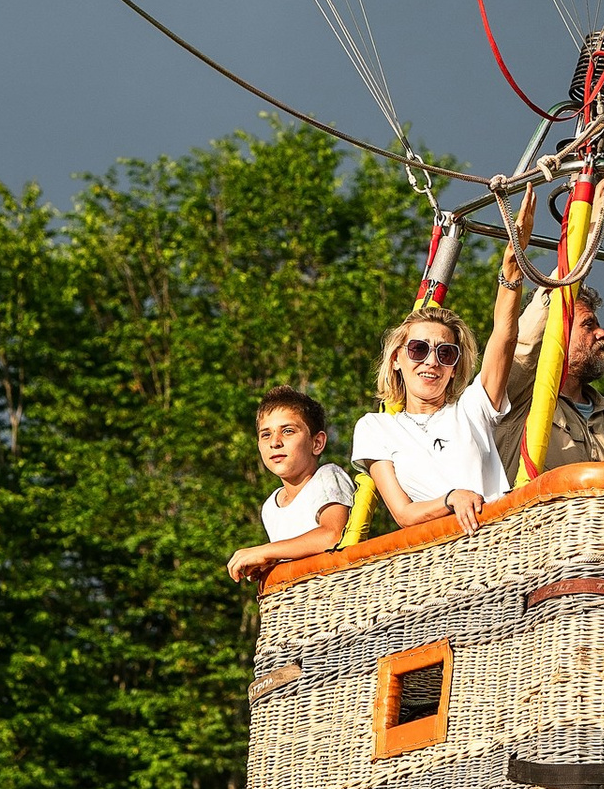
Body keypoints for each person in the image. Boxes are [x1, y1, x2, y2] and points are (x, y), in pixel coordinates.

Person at [351, 195, 533, 534]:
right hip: (441, 555)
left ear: (454, 366)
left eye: (445, 353)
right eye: (419, 349)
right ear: (396, 359)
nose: (431, 362)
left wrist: (511, 274)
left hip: (500, 539)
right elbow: (403, 513)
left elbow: (505, 339)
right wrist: (452, 499)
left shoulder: (471, 409)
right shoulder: (376, 428)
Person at [226, 387, 357, 584]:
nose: (275, 442)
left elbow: (333, 535)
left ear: (317, 443)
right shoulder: (271, 506)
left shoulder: (328, 476)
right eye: (266, 435)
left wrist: (264, 551)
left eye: (287, 431)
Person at [498, 274, 604, 473]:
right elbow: (524, 346)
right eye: (588, 324)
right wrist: (566, 275)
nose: (602, 333)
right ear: (554, 333)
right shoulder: (518, 400)